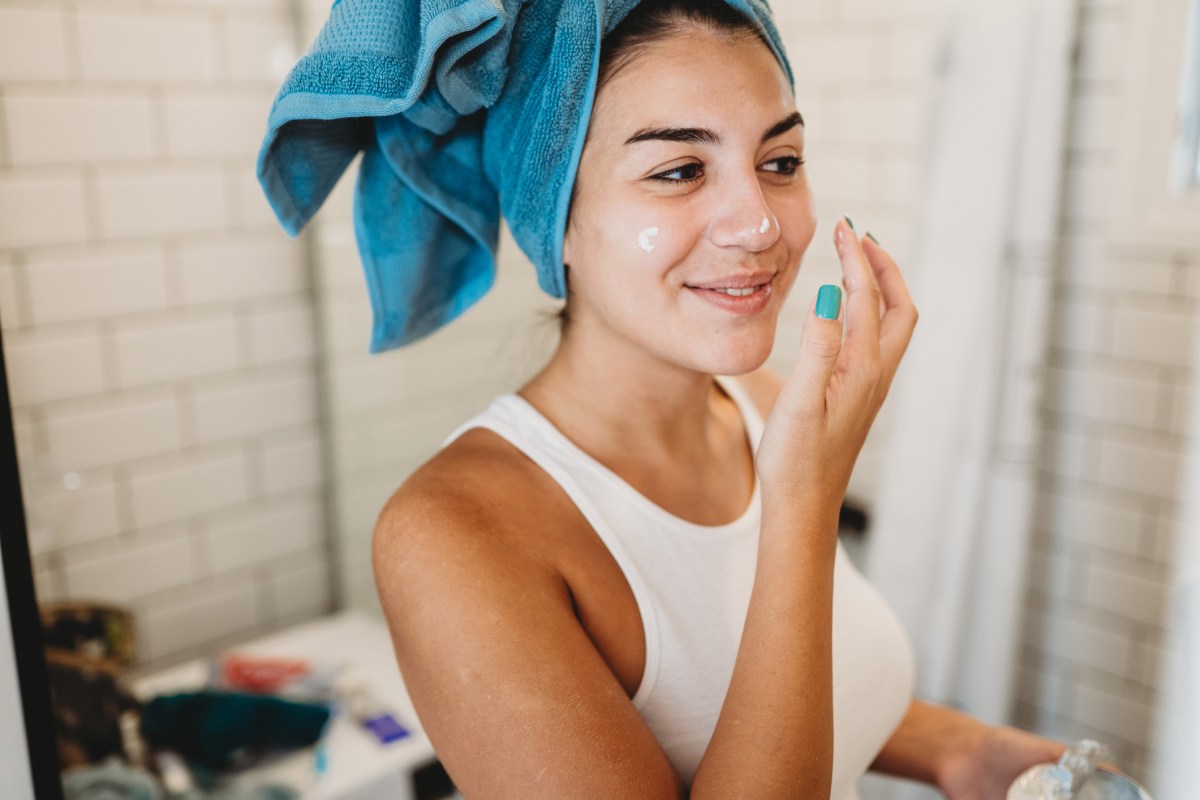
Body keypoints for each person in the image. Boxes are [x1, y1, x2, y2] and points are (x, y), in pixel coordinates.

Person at [371, 2, 1066, 798]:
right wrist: (803, 502)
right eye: (679, 171)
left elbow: (776, 691)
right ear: (554, 220)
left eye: (780, 160)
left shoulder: (762, 405)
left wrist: (958, 747)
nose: (761, 224)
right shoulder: (450, 534)